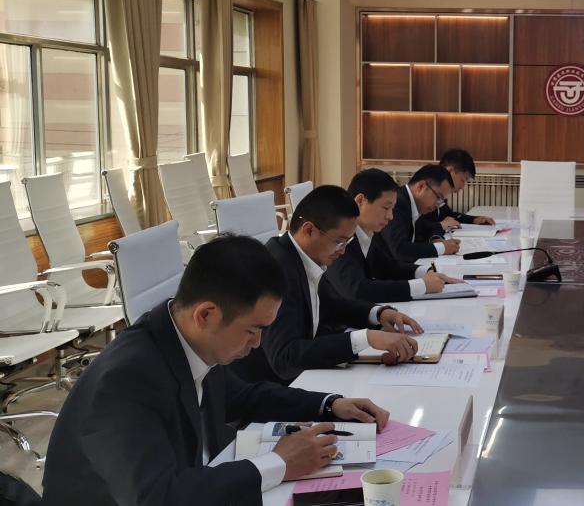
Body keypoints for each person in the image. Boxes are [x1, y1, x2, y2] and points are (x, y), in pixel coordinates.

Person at [41, 235, 391, 505]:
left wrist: (329, 405)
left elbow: (242, 398)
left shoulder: (186, 337)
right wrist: (279, 463)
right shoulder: (127, 379)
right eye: (252, 330)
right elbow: (157, 497)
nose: (257, 344)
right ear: (206, 314)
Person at [231, 185, 420, 384]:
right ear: (309, 230)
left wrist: (379, 314)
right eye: (340, 242)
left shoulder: (302, 256)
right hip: (269, 387)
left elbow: (333, 306)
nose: (343, 251)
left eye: (348, 242)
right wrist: (366, 338)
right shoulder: (277, 270)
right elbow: (285, 356)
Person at [326, 168, 463, 303]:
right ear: (360, 201)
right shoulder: (340, 237)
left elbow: (386, 267)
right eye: (386, 208)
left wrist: (427, 271)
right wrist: (421, 286)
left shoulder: (364, 233)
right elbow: (357, 290)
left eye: (392, 209)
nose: (390, 216)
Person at [380, 164, 460, 263]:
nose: (437, 205)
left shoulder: (414, 203)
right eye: (438, 197)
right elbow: (399, 250)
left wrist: (434, 240)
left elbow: (424, 228)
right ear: (421, 186)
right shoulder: (397, 203)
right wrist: (441, 248)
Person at [416, 149, 495, 240]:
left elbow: (448, 214)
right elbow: (415, 225)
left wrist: (474, 220)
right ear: (450, 171)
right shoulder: (428, 188)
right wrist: (440, 226)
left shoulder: (440, 190)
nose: (462, 186)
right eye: (462, 180)